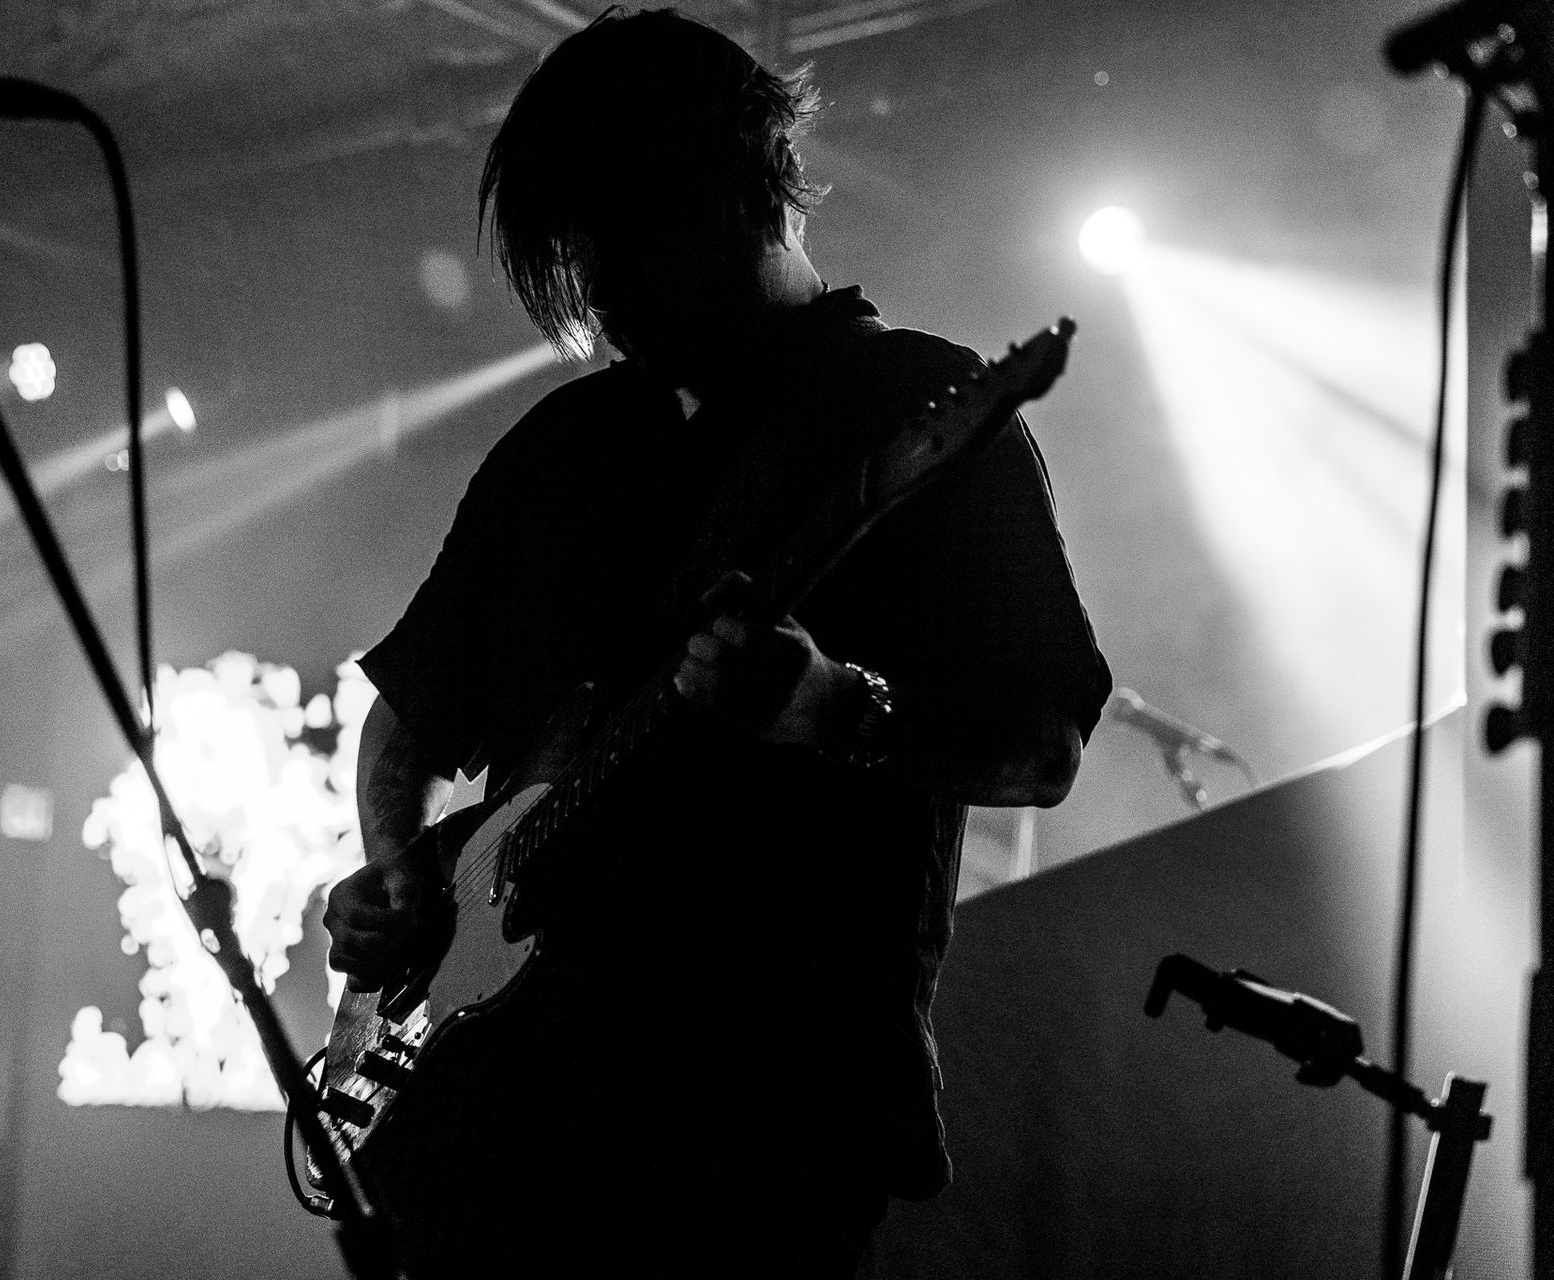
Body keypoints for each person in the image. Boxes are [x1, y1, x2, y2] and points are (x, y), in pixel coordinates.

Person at [323, 9, 1111, 1277]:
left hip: (756, 1138)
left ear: (744, 185)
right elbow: (406, 715)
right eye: (575, 258)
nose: (601, 297)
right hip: (492, 1129)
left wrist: (835, 708)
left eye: (623, 242)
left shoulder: (910, 403)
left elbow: (1043, 743)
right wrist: (398, 876)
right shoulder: (561, 449)